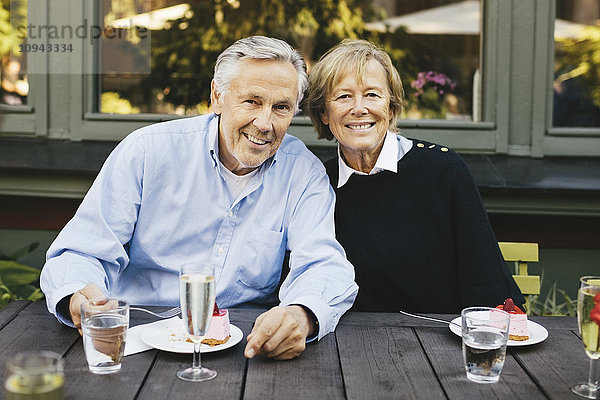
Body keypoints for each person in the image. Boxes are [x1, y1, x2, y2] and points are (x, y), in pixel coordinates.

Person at [40, 36, 358, 360]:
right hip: (135, 342)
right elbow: (81, 253)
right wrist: (78, 296)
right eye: (251, 101)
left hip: (241, 349)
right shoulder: (147, 152)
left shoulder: (303, 172)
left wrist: (301, 315)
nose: (265, 124)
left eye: (281, 108)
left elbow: (324, 266)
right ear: (217, 97)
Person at [305, 39, 524, 313]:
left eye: (372, 94)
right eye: (343, 96)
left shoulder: (443, 170)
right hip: (347, 345)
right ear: (324, 113)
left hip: (438, 344)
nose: (358, 108)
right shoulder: (316, 184)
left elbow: (485, 281)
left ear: (392, 108)